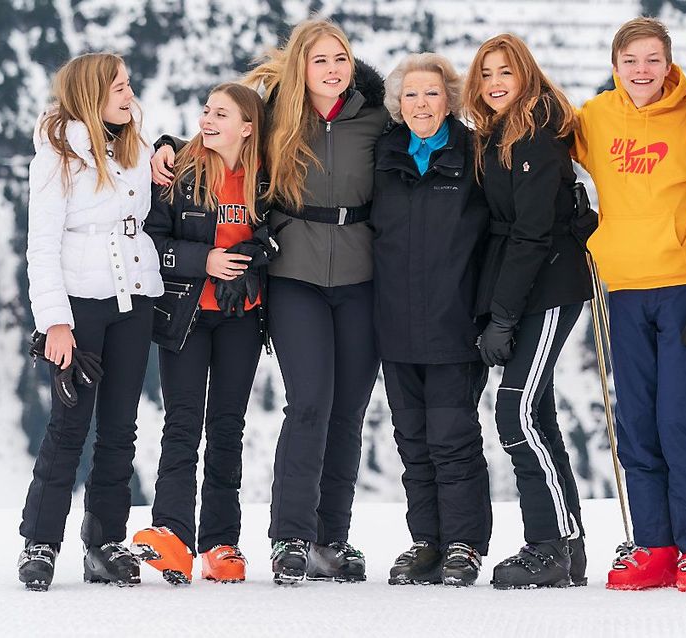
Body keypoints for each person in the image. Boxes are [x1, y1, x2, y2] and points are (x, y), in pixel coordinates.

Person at [151, 18, 388, 584]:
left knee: (349, 410)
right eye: (320, 60)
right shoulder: (278, 117)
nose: (333, 70)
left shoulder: (378, 121)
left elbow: (432, 129)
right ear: (298, 68)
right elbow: (223, 129)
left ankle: (332, 539)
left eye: (341, 58)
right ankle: (290, 538)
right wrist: (164, 146)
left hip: (360, 275)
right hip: (293, 275)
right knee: (310, 401)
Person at [573, 17, 686, 592]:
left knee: (681, 421)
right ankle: (654, 545)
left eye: (652, 60)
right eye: (631, 60)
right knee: (635, 423)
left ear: (669, 64)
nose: (642, 70)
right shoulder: (593, 118)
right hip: (622, 289)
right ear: (616, 66)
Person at [18, 52, 163, 591]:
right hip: (80, 306)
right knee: (69, 425)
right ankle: (40, 542)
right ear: (90, 93)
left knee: (120, 427)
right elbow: (40, 245)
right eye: (118, 88)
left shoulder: (134, 144)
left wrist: (165, 146)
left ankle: (103, 544)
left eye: (129, 85)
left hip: (134, 299)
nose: (129, 94)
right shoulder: (57, 154)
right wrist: (55, 322)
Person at [463, 33, 593, 590]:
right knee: (534, 413)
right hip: (527, 288)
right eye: (487, 73)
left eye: (506, 73)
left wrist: (504, 317)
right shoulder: (497, 136)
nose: (495, 83)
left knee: (514, 413)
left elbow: (534, 233)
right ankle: (567, 544)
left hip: (549, 288)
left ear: (526, 77)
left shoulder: (535, 137)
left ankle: (549, 545)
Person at [131, 83, 271, 586]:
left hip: (242, 316)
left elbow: (279, 231)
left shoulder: (268, 174)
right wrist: (205, 261)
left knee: (228, 426)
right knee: (184, 422)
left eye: (221, 114)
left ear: (248, 127)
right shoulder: (179, 172)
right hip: (186, 315)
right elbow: (153, 240)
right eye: (206, 111)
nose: (208, 120)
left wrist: (256, 259)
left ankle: (220, 544)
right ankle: (172, 535)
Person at [372, 53, 492, 587]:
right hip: (394, 324)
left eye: (432, 93)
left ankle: (464, 545)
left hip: (454, 323)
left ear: (451, 98)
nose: (422, 104)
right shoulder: (383, 154)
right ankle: (427, 542)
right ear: (398, 104)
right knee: (412, 439)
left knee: (453, 438)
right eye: (411, 95)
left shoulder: (474, 153)